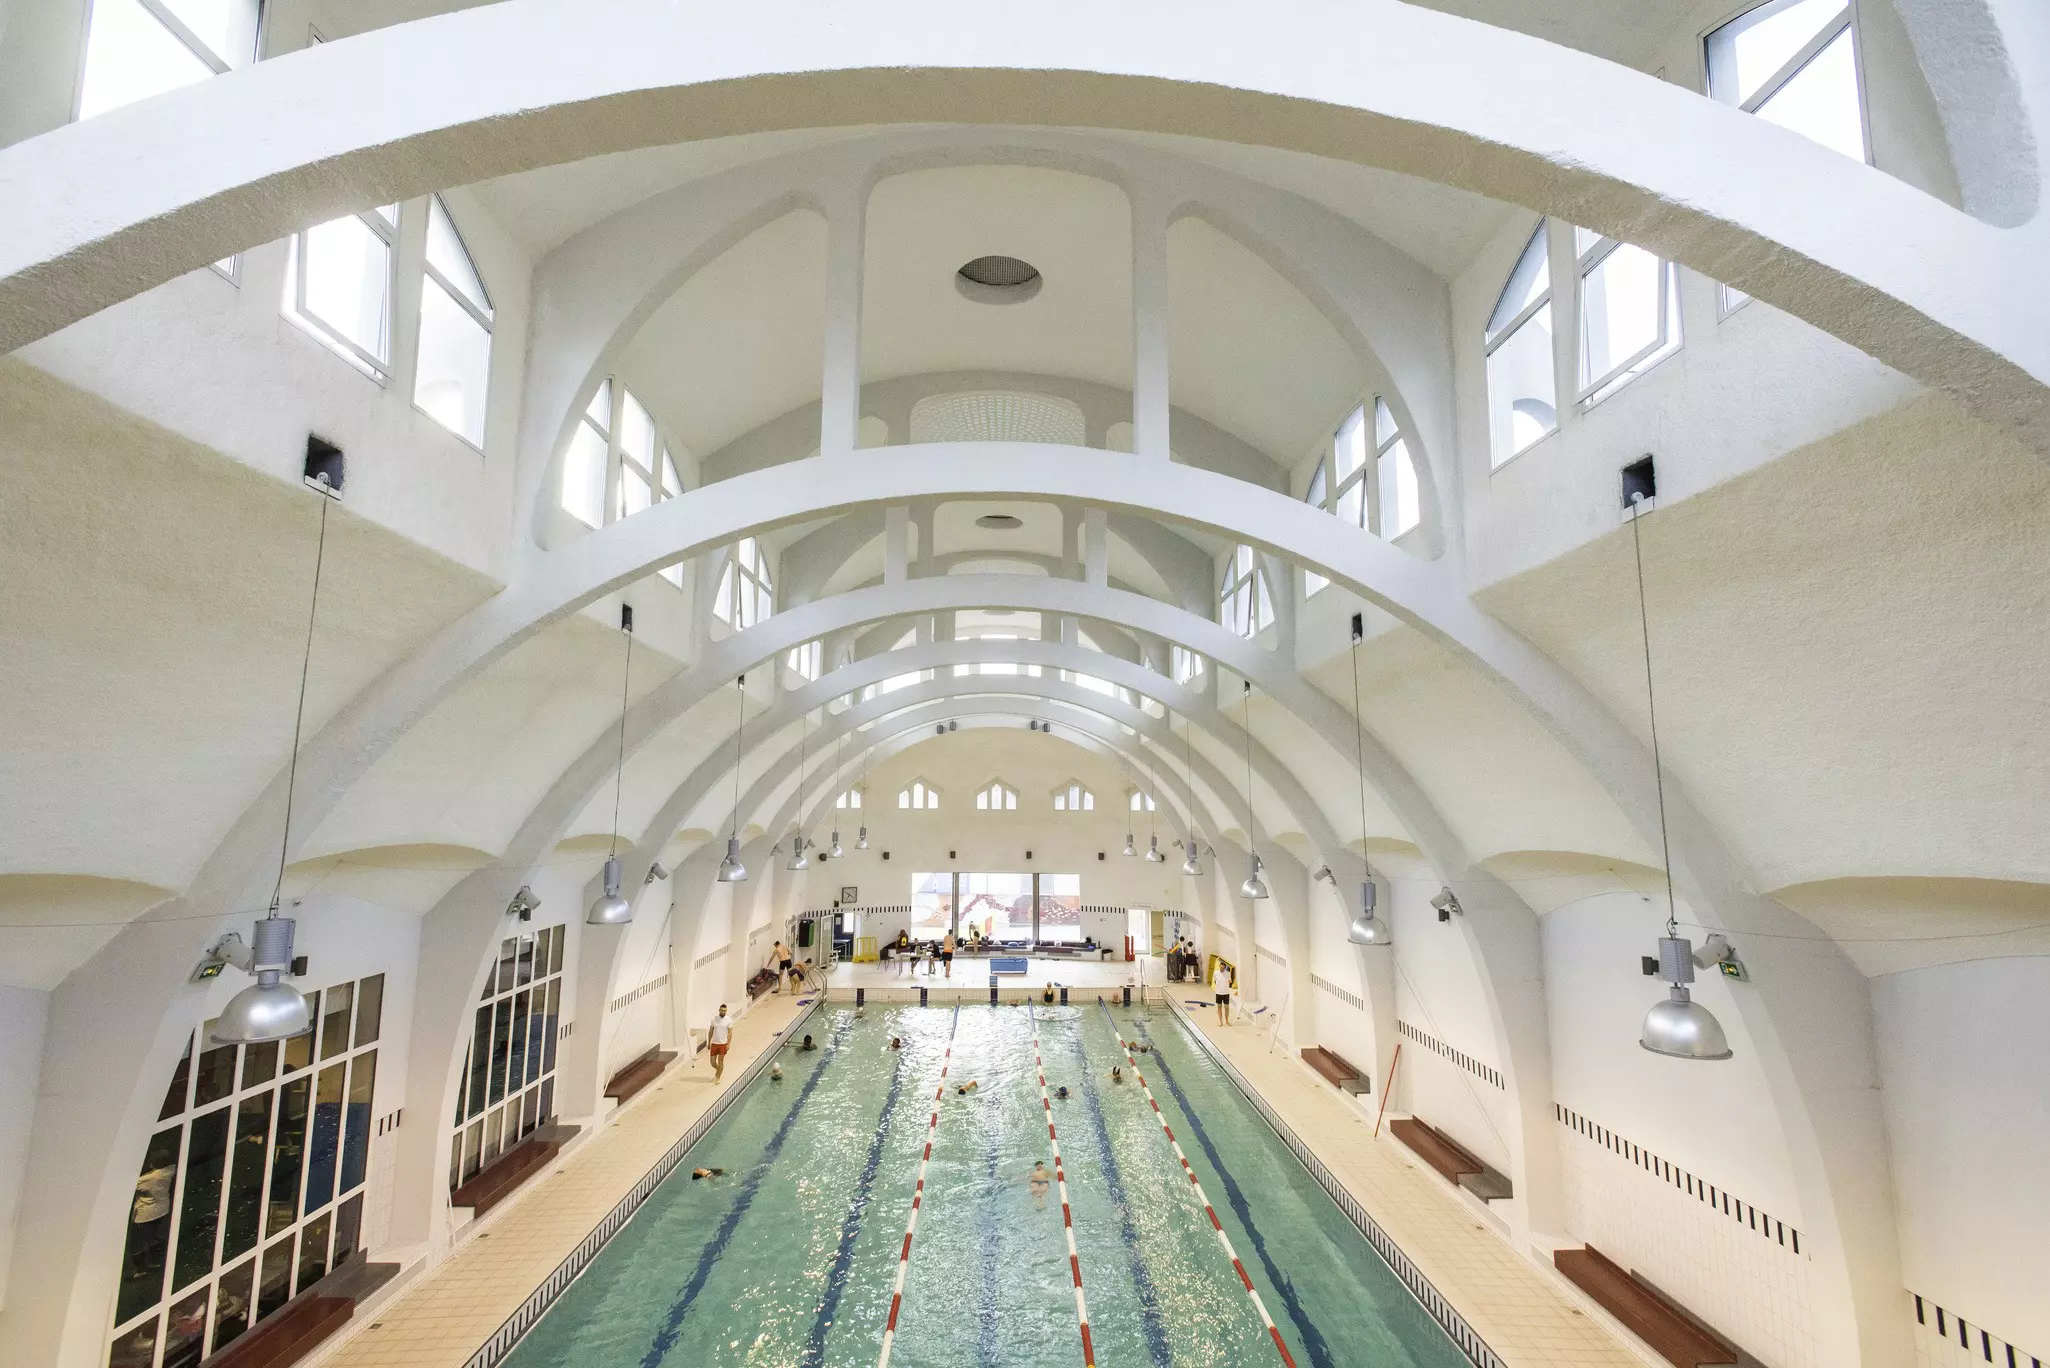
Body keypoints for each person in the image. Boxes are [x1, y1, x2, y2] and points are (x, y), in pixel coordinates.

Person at [706, 1004, 733, 1080]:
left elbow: (730, 1033)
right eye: (722, 1010)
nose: (723, 1012)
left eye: (725, 1011)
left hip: (723, 1044)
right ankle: (719, 1070)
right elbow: (711, 1031)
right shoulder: (714, 1019)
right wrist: (709, 1042)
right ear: (719, 1010)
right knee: (712, 1062)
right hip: (714, 1043)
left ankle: (718, 1077)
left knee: (720, 1061)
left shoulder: (729, 1020)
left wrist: (728, 1044)